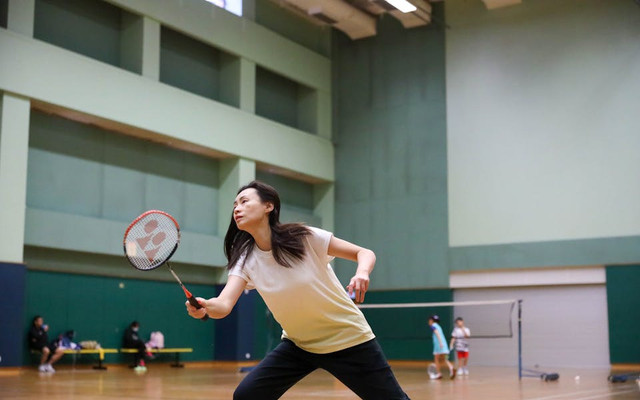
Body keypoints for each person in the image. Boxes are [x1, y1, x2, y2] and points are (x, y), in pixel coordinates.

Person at [186, 180, 410, 400]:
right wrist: (206, 307)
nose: (237, 208)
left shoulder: (303, 237)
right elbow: (224, 305)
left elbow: (364, 253)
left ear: (269, 206)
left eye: (244, 201)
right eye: (235, 204)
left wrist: (362, 273)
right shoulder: (244, 259)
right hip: (299, 345)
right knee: (247, 396)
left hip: (348, 339)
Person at [428, 315, 455, 380]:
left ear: (431, 320)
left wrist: (440, 343)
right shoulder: (439, 326)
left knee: (436, 359)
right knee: (444, 359)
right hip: (444, 344)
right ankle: (451, 368)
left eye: (429, 320)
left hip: (439, 345)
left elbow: (437, 333)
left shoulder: (433, 326)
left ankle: (439, 374)